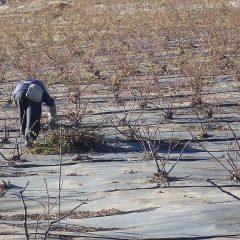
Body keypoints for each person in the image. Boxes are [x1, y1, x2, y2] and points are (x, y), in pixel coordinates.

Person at [13, 77, 57, 146]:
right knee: (33, 117)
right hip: (33, 91)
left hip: (18, 93)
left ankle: (24, 138)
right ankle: (30, 141)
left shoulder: (22, 83)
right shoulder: (40, 85)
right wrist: (52, 119)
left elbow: (14, 97)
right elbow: (51, 103)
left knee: (23, 116)